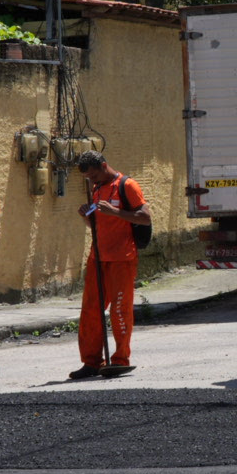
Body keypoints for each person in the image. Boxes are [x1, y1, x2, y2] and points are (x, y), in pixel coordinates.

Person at [70, 150, 151, 379]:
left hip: (122, 259)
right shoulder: (96, 189)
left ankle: (120, 359)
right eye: (88, 177)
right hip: (97, 258)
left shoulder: (127, 186)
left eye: (93, 175)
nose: (91, 180)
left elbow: (145, 217)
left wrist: (115, 211)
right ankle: (92, 362)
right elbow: (96, 225)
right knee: (90, 312)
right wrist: (86, 216)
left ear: (104, 166)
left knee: (119, 311)